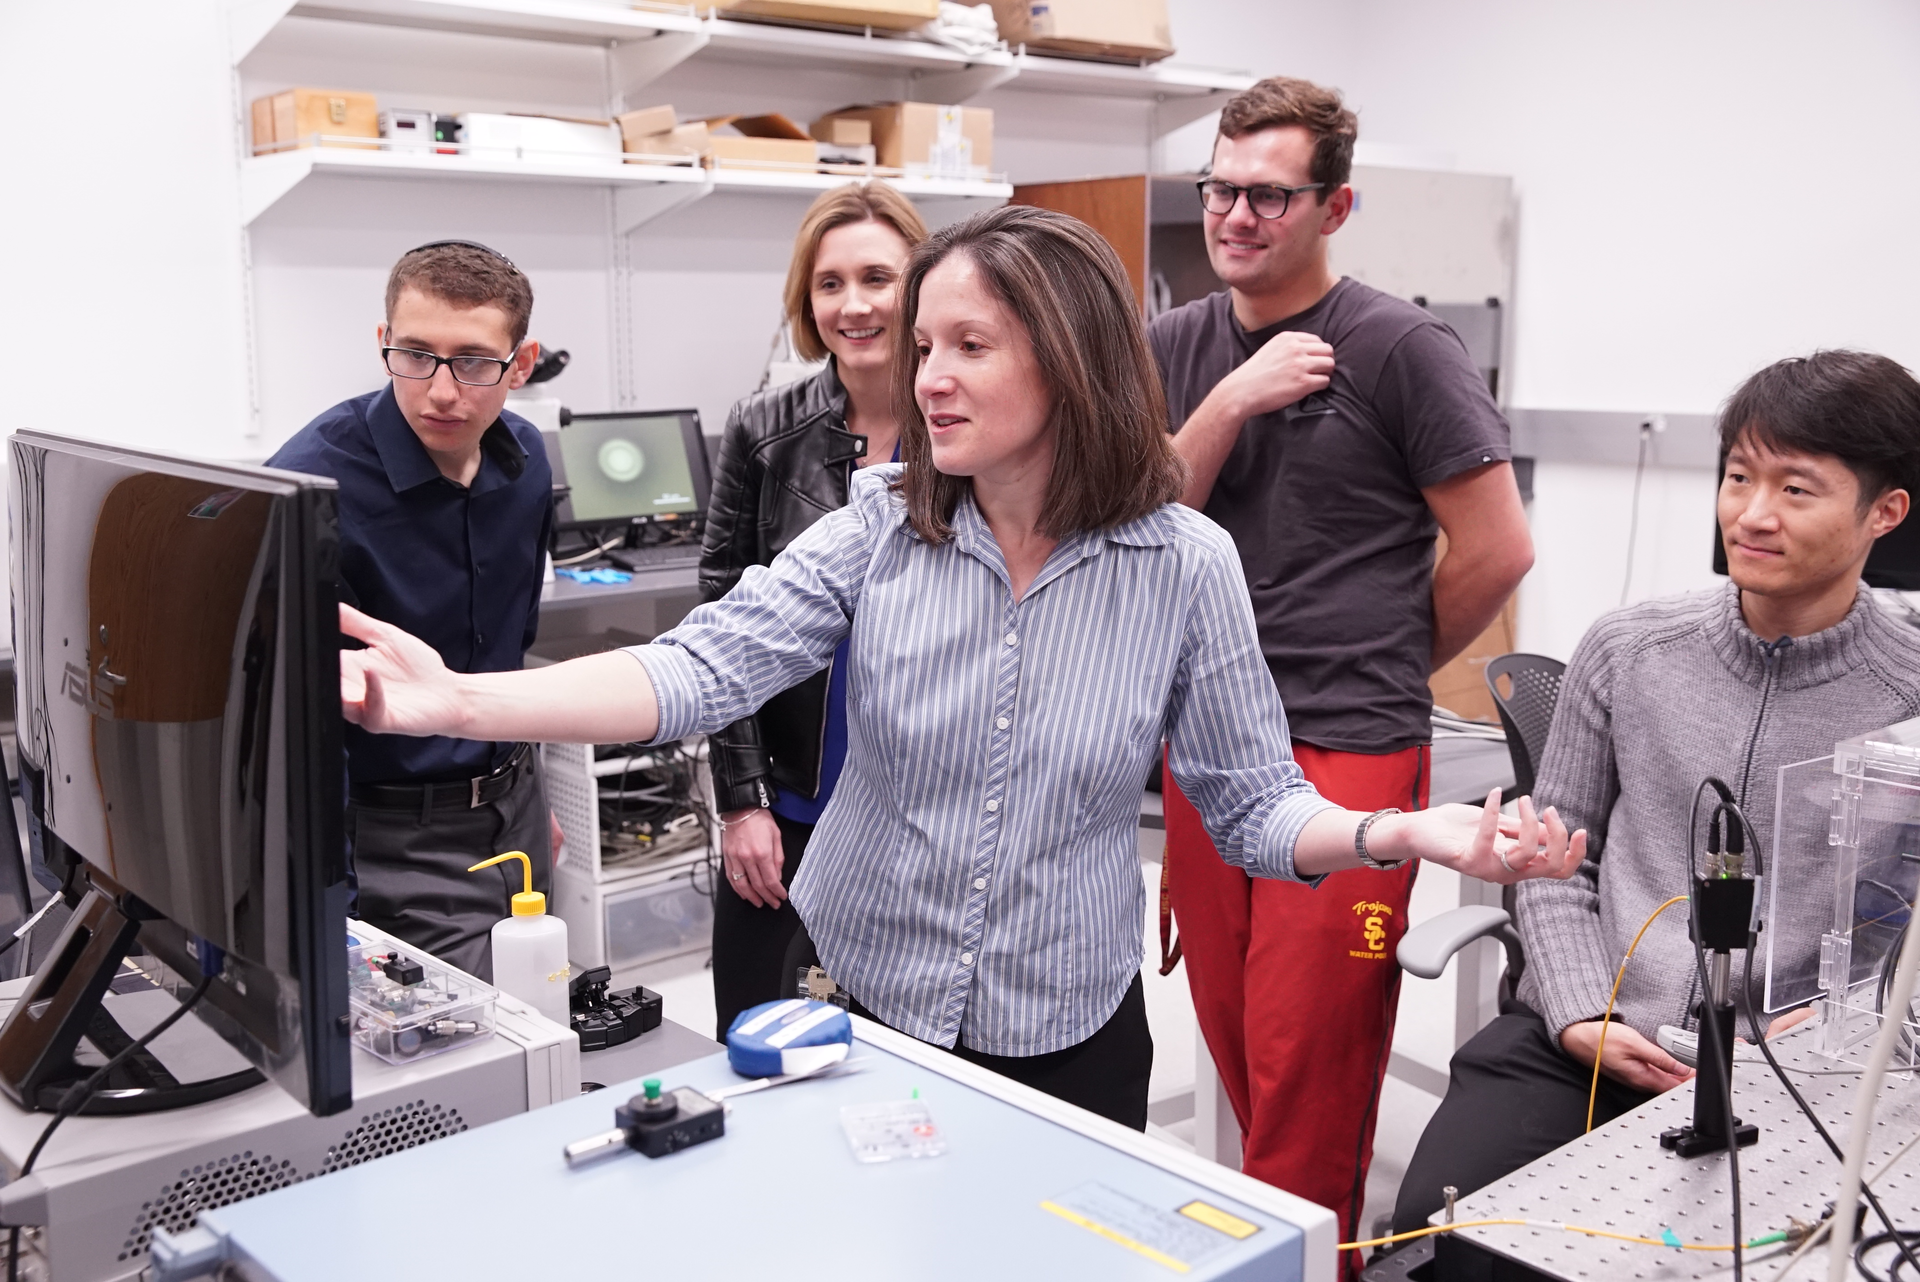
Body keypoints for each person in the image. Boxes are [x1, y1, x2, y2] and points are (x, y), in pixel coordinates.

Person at [335, 205, 1586, 1131]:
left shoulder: (1184, 566)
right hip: (865, 1003)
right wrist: (457, 701)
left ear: (1070, 357)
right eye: (924, 345)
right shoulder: (882, 528)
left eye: (968, 346)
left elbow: (1254, 808)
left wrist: (1400, 835)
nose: (925, 376)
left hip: (1069, 1030)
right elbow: (696, 668)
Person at [1392, 350, 1920, 1234]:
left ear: (1885, 512)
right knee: (1438, 1236)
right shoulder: (1631, 650)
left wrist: (1847, 1039)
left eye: (1796, 490)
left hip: (1804, 1068)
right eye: (1739, 476)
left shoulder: (1908, 695)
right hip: (1589, 1038)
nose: (1751, 514)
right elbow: (1551, 862)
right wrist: (1579, 1011)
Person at [1149, 76, 1536, 1247]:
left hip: (1350, 751)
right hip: (1213, 749)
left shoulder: (1402, 346)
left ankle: (1301, 1264)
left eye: (1270, 194)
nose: (1237, 215)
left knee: (1310, 1075)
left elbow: (1498, 547)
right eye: (1222, 188)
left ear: (1336, 206)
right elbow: (1136, 521)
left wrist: (1387, 655)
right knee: (1236, 1047)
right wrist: (1229, 400)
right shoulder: (1177, 344)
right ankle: (1280, 1252)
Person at [270, 239, 555, 982]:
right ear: (383, 344)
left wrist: (526, 789)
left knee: (540, 1012)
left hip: (512, 808)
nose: (440, 390)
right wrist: (327, 904)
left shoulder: (525, 462)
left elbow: (508, 651)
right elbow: (296, 723)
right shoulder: (309, 488)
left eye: (473, 362)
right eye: (415, 355)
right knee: (464, 1058)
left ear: (519, 365)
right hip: (390, 835)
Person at [702, 183, 930, 1040]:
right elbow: (722, 626)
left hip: (913, 819)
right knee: (759, 1044)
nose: (855, 303)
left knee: (892, 1066)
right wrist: (742, 800)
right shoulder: (764, 431)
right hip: (789, 808)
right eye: (829, 283)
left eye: (879, 276)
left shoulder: (968, 426)